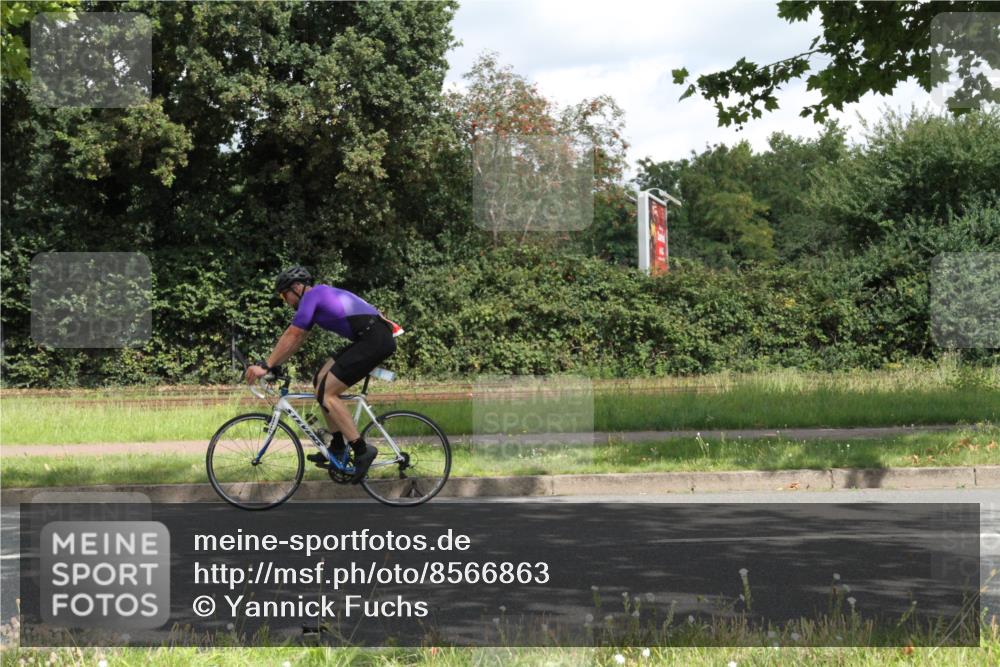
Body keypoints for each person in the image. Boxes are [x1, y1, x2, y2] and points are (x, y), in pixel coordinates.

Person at [244, 265, 401, 483]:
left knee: (328, 392)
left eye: (284, 295)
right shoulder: (317, 297)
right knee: (319, 380)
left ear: (297, 287)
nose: (286, 300)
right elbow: (296, 339)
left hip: (374, 340)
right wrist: (274, 364)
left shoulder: (312, 296)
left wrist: (266, 365)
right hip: (369, 338)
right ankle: (337, 446)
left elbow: (293, 333)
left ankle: (362, 450)